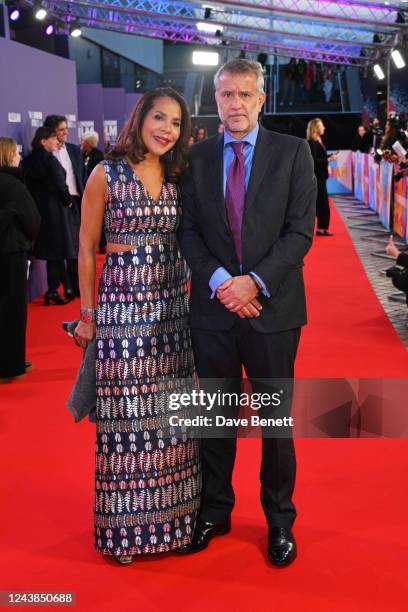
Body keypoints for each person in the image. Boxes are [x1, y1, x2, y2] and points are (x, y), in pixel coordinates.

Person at [177, 59, 316, 566]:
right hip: (212, 312)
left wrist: (252, 283)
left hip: (273, 311)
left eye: (244, 95)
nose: (235, 105)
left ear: (262, 99)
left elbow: (300, 232)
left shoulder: (294, 152)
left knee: (276, 422)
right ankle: (216, 510)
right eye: (226, 95)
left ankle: (280, 520)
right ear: (215, 99)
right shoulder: (196, 158)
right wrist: (221, 284)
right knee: (214, 418)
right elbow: (188, 231)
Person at [73, 88, 201, 565]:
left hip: (172, 311)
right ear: (140, 118)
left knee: (173, 421)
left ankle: (176, 526)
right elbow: (87, 248)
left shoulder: (177, 175)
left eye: (175, 122)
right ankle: (125, 534)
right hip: (124, 310)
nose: (167, 128)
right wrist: (88, 315)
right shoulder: (105, 173)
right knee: (126, 422)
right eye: (159, 117)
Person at [0, 137, 40, 382]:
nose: (20, 157)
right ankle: (10, 365)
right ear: (8, 155)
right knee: (12, 310)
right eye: (16, 153)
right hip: (10, 253)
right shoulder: (15, 185)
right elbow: (33, 221)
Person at [24, 127, 78, 304]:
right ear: (43, 141)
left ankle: (58, 290)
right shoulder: (49, 161)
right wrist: (68, 202)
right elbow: (60, 185)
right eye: (53, 139)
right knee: (57, 252)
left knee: (51, 252)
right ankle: (53, 291)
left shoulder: (29, 160)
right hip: (55, 211)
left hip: (38, 210)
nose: (57, 142)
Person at [43, 115, 83, 296]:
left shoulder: (75, 150)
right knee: (60, 248)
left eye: (66, 128)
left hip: (74, 202)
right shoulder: (45, 154)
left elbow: (81, 176)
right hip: (56, 205)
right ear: (52, 132)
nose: (66, 132)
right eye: (61, 129)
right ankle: (61, 286)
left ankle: (75, 286)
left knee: (76, 247)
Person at [307, 118, 338, 236]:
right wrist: (329, 159)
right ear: (316, 128)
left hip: (321, 176)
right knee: (322, 202)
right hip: (317, 177)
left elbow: (320, 157)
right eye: (321, 126)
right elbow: (314, 161)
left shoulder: (318, 141)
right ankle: (321, 228)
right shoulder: (312, 142)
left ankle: (322, 227)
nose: (324, 128)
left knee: (322, 202)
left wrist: (329, 156)